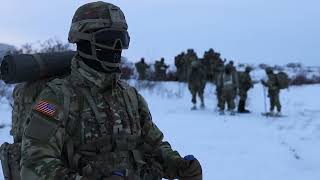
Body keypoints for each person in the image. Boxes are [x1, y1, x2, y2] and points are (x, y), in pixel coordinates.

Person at [20, 2, 202, 180]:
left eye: (121, 40)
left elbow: (153, 144)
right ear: (83, 40)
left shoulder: (130, 96)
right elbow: (34, 165)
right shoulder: (58, 97)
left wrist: (177, 164)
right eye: (108, 40)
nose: (116, 48)